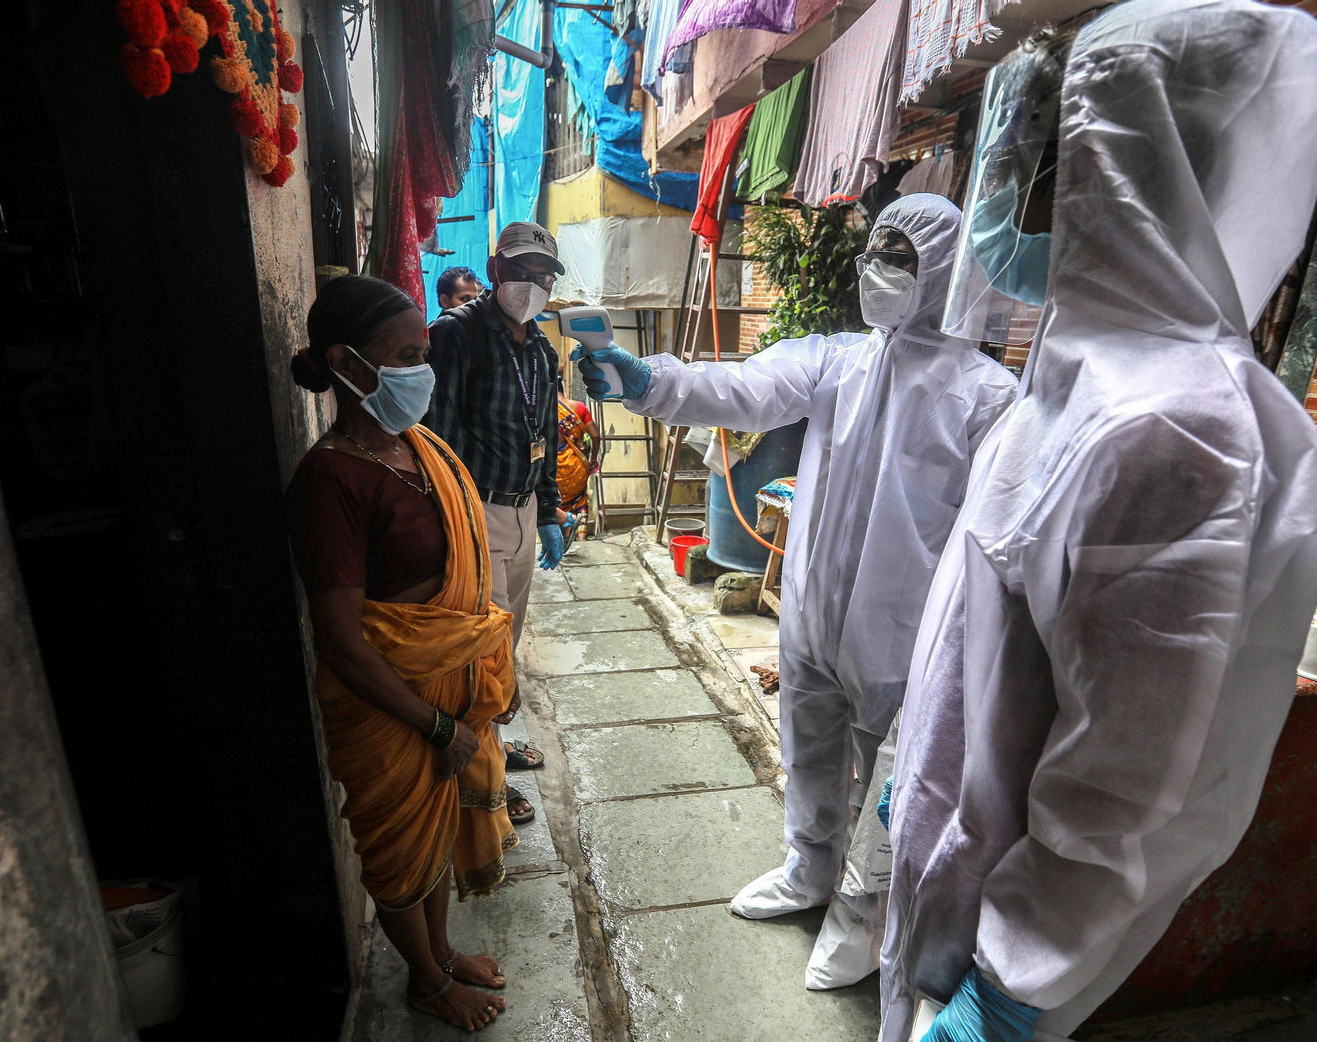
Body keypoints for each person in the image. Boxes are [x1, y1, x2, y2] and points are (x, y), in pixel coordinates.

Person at [878, 4, 1317, 1040]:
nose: (1008, 190)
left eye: (1036, 153)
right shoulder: (1072, 376)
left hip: (1000, 952)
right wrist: (917, 770)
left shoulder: (1176, 423)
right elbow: (984, 636)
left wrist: (1005, 986)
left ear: (1127, 158)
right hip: (947, 872)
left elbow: (1135, 784)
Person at [576, 194, 1018, 990]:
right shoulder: (837, 358)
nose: (874, 270)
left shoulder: (986, 395)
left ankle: (862, 917)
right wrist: (648, 382)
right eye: (874, 252)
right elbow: (745, 390)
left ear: (945, 274)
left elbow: (990, 537)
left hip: (904, 632)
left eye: (897, 258)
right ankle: (808, 870)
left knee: (895, 787)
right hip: (813, 612)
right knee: (809, 747)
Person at [283, 275, 518, 1031]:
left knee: (440, 828)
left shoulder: (419, 449)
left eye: (425, 353)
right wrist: (435, 725)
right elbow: (343, 642)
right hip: (391, 703)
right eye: (408, 354)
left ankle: (442, 955)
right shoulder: (329, 482)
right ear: (348, 366)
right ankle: (424, 979)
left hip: (445, 686)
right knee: (397, 852)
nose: (425, 368)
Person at [426, 222, 566, 820]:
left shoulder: (541, 349)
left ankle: (496, 751)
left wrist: (553, 508)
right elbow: (438, 433)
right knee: (478, 652)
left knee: (504, 647)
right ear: (494, 267)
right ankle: (482, 785)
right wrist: (447, 519)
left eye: (543, 275)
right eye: (520, 271)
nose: (531, 285)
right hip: (475, 508)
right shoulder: (457, 335)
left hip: (524, 507)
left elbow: (549, 434)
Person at [555, 375, 604, 527]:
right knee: (579, 501)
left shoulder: (542, 410)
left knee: (555, 504)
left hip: (554, 470)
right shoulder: (579, 407)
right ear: (562, 387)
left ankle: (560, 540)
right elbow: (595, 436)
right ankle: (581, 538)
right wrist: (593, 458)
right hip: (578, 468)